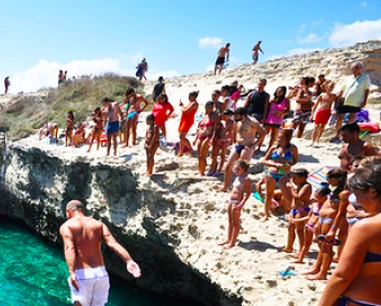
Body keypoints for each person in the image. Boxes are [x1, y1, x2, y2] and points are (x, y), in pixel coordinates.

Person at [318, 164, 381, 306]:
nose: (356, 200)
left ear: (372, 192)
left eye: (357, 193)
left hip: (361, 300)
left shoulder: (367, 227)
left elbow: (342, 277)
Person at [60, 200, 141, 306]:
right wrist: (129, 260)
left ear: (68, 211)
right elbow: (113, 244)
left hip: (83, 274)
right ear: (82, 210)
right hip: (101, 274)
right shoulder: (99, 224)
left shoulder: (68, 226)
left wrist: (72, 272)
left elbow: (69, 248)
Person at [305, 168, 347, 281]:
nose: (327, 180)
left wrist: (333, 229)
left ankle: (323, 272)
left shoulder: (343, 193)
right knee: (321, 245)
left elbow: (340, 213)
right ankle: (317, 268)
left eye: (328, 178)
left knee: (326, 246)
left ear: (334, 179)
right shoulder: (334, 190)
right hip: (323, 218)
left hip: (330, 220)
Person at [219, 107, 266, 192]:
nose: (235, 117)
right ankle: (225, 186)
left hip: (247, 145)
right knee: (228, 165)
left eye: (237, 116)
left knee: (243, 168)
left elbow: (263, 132)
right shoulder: (237, 122)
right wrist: (233, 141)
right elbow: (234, 131)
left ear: (243, 115)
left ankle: (242, 187)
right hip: (238, 145)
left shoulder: (252, 121)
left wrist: (255, 144)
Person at [261, 129, 298, 221]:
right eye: (278, 137)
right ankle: (266, 215)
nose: (278, 139)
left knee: (288, 196)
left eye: (280, 137)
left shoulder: (293, 148)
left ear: (287, 138)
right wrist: (275, 164)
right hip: (272, 173)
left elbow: (295, 160)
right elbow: (264, 160)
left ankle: (290, 213)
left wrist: (289, 165)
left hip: (284, 174)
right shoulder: (274, 148)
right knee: (269, 195)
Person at [218, 160, 252, 249]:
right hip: (231, 200)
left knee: (235, 223)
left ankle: (232, 242)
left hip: (237, 202)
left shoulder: (246, 179)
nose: (235, 170)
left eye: (238, 169)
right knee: (230, 221)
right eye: (235, 168)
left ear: (244, 169)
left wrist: (241, 204)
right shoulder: (238, 177)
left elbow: (248, 193)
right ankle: (228, 239)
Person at [333, 61, 371, 139]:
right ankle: (337, 134)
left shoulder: (365, 78)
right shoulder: (349, 78)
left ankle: (347, 135)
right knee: (340, 117)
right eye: (353, 68)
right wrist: (338, 98)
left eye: (356, 68)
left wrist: (364, 101)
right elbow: (342, 89)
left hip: (355, 101)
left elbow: (366, 90)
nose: (354, 69)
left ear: (360, 68)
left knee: (351, 118)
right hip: (344, 100)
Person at [293, 187, 331, 263]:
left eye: (317, 197)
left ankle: (323, 261)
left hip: (318, 227)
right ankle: (300, 259)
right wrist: (297, 220)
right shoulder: (315, 205)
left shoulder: (326, 206)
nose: (314, 198)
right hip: (309, 225)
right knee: (306, 243)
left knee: (321, 245)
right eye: (314, 196)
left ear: (325, 197)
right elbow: (309, 216)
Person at [282, 169, 312, 254]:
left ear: (303, 178)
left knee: (300, 230)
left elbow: (298, 197)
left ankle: (302, 249)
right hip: (294, 210)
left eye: (295, 178)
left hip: (302, 210)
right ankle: (289, 246)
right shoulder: (299, 185)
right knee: (290, 228)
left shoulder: (306, 186)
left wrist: (291, 188)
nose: (294, 180)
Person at [243, 79, 270, 151]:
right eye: (259, 84)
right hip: (249, 114)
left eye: (262, 84)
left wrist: (264, 117)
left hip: (259, 115)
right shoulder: (251, 93)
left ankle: (254, 146)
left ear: (265, 85)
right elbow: (246, 104)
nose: (260, 85)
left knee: (257, 132)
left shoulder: (266, 95)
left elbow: (266, 107)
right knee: (247, 131)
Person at [193, 101, 217, 176]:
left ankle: (202, 172)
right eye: (207, 107)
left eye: (210, 107)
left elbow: (215, 129)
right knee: (199, 155)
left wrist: (212, 139)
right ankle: (201, 170)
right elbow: (199, 127)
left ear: (213, 108)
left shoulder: (214, 116)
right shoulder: (204, 116)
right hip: (200, 136)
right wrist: (195, 138)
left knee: (203, 155)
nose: (208, 109)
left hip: (208, 136)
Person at [263, 86, 290, 151]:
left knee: (273, 135)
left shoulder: (286, 100)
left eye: (281, 91)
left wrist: (280, 113)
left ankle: (269, 148)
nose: (279, 92)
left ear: (283, 92)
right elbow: (267, 109)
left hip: (277, 119)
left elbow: (288, 111)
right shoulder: (273, 99)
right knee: (263, 133)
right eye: (278, 90)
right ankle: (259, 147)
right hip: (269, 119)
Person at [310, 82, 336, 147]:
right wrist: (312, 114)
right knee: (316, 127)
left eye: (332, 87)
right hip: (320, 111)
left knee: (322, 127)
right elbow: (316, 105)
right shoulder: (322, 95)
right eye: (330, 87)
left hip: (327, 112)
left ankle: (317, 140)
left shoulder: (334, 96)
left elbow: (337, 104)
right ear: (326, 87)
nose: (330, 88)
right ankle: (312, 141)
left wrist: (334, 111)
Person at [209, 109, 234, 176]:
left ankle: (219, 170)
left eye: (227, 115)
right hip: (219, 138)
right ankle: (213, 168)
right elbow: (216, 130)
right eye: (224, 114)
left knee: (222, 155)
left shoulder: (231, 123)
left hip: (226, 140)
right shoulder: (220, 122)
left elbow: (230, 133)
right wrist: (214, 138)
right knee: (214, 155)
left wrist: (222, 139)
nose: (225, 116)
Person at [177, 91, 199, 157]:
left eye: (190, 96)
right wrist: (182, 105)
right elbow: (185, 109)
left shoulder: (194, 104)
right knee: (181, 137)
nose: (189, 97)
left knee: (182, 137)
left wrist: (181, 106)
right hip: (184, 119)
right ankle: (181, 152)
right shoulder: (190, 103)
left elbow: (185, 111)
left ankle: (190, 149)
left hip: (188, 120)